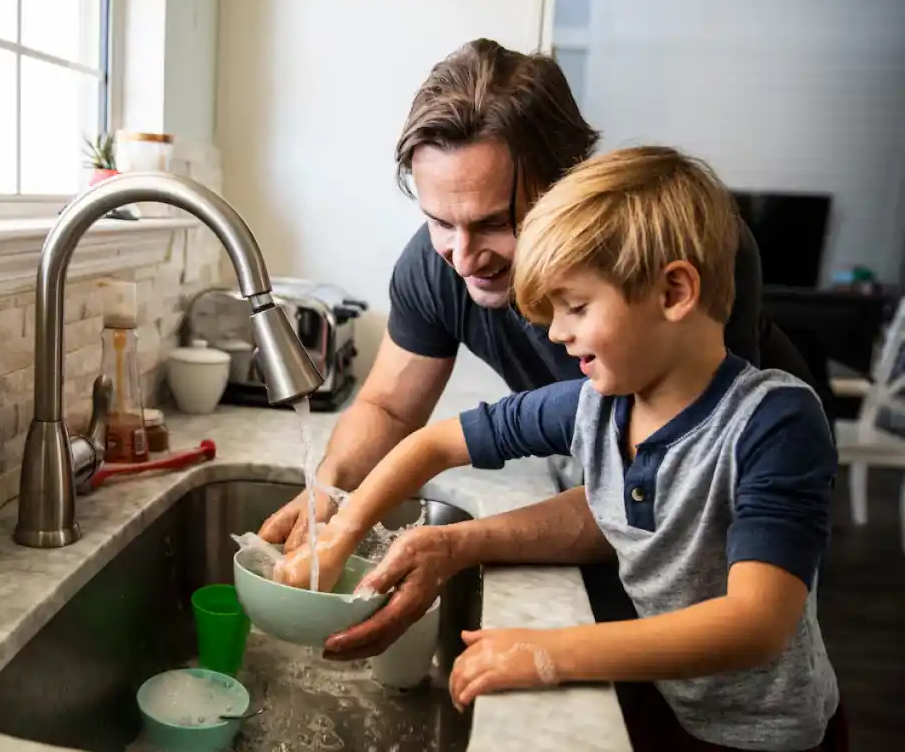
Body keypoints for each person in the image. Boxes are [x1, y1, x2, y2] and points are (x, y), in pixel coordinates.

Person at [257, 37, 829, 658]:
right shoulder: (437, 265)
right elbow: (393, 411)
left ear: (571, 184)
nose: (464, 257)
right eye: (440, 222)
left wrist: (463, 550)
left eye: (497, 223)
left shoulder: (682, 259)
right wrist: (332, 498)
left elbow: (653, 503)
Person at [275, 145, 847, 752]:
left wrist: (550, 653)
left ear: (675, 291)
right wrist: (342, 524)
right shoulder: (598, 403)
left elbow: (756, 625)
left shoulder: (774, 422)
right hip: (667, 698)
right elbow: (435, 442)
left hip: (769, 738)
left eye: (575, 307)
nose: (555, 332)